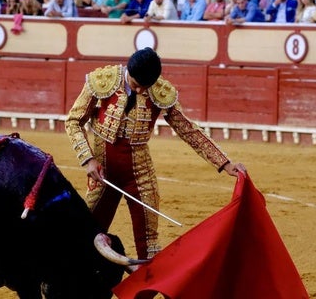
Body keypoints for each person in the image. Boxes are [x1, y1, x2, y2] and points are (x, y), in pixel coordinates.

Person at [65, 47, 247, 259]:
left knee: (149, 245)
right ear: (128, 72)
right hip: (103, 173)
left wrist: (224, 163)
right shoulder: (102, 80)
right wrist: (88, 159)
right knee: (85, 233)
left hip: (140, 173)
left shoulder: (161, 92)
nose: (142, 91)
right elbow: (74, 121)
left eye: (146, 86)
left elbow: (188, 129)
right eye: (136, 85)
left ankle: (144, 291)